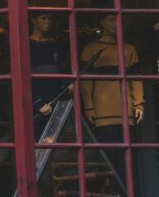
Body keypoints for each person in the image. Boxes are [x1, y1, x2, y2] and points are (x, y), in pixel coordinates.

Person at [79, 13, 144, 186]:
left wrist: (139, 103)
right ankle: (109, 195)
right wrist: (89, 107)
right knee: (105, 157)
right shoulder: (90, 49)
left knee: (127, 159)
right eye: (109, 19)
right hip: (101, 111)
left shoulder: (129, 49)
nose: (115, 23)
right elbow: (85, 82)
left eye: (118, 19)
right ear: (101, 21)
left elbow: (135, 78)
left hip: (126, 110)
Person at [29, 12, 70, 141]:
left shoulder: (56, 46)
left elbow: (64, 72)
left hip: (56, 105)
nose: (48, 22)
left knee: (55, 147)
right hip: (35, 108)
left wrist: (69, 85)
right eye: (43, 18)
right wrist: (37, 103)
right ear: (33, 20)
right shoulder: (26, 46)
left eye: (50, 19)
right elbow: (21, 81)